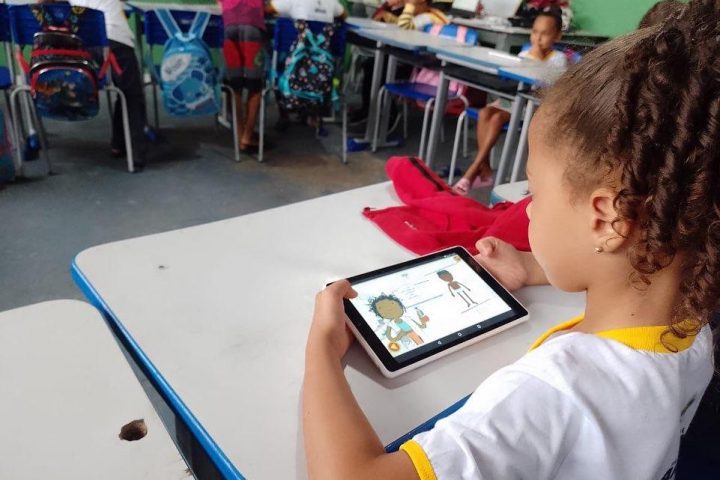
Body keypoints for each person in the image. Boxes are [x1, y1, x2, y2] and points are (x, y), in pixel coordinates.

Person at [302, 0, 718, 478]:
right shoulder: (694, 328)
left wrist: (323, 350)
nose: (529, 209)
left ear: (607, 219)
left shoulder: (553, 392)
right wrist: (531, 266)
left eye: (533, 192)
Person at [453, 8, 566, 194]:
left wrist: (536, 58)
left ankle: (473, 170)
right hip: (514, 101)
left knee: (497, 118)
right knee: (485, 112)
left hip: (534, 107)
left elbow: (544, 84)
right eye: (535, 32)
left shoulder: (559, 60)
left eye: (544, 34)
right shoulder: (525, 54)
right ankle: (485, 169)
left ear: (557, 36)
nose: (537, 38)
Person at [48, 0, 149, 169]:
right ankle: (135, 152)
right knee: (130, 93)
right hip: (115, 40)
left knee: (126, 92)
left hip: (77, 46)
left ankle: (119, 144)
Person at [219, 0, 266, 154]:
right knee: (255, 85)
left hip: (229, 27)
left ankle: (239, 135)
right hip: (253, 26)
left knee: (235, 86)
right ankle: (247, 135)